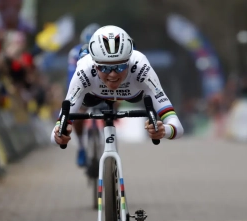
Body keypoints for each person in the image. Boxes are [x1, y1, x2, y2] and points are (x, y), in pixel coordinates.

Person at [51, 25, 184, 149]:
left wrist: (163, 131)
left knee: (112, 111)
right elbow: (55, 133)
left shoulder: (141, 67)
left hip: (131, 95)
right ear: (95, 64)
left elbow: (178, 127)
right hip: (93, 95)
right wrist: (59, 135)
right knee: (80, 110)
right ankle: (82, 147)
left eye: (120, 66)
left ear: (129, 61)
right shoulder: (85, 69)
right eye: (105, 67)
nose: (113, 74)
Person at [66, 23, 100, 167]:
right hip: (82, 87)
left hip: (102, 88)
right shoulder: (75, 53)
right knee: (78, 116)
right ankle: (81, 147)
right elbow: (71, 77)